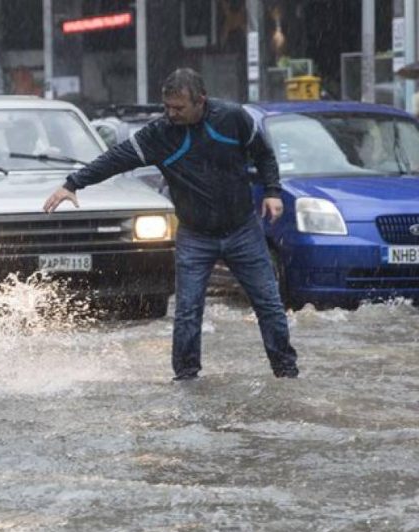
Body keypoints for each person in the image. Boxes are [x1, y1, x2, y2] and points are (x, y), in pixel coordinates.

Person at [43, 68, 299, 380]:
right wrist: (73, 183)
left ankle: (286, 372)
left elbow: (264, 155)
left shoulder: (232, 118)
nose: (171, 114)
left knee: (269, 304)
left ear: (201, 101)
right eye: (167, 107)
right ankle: (187, 378)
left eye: (178, 108)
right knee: (188, 312)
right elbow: (116, 158)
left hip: (242, 229)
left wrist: (272, 192)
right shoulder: (159, 135)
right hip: (195, 235)